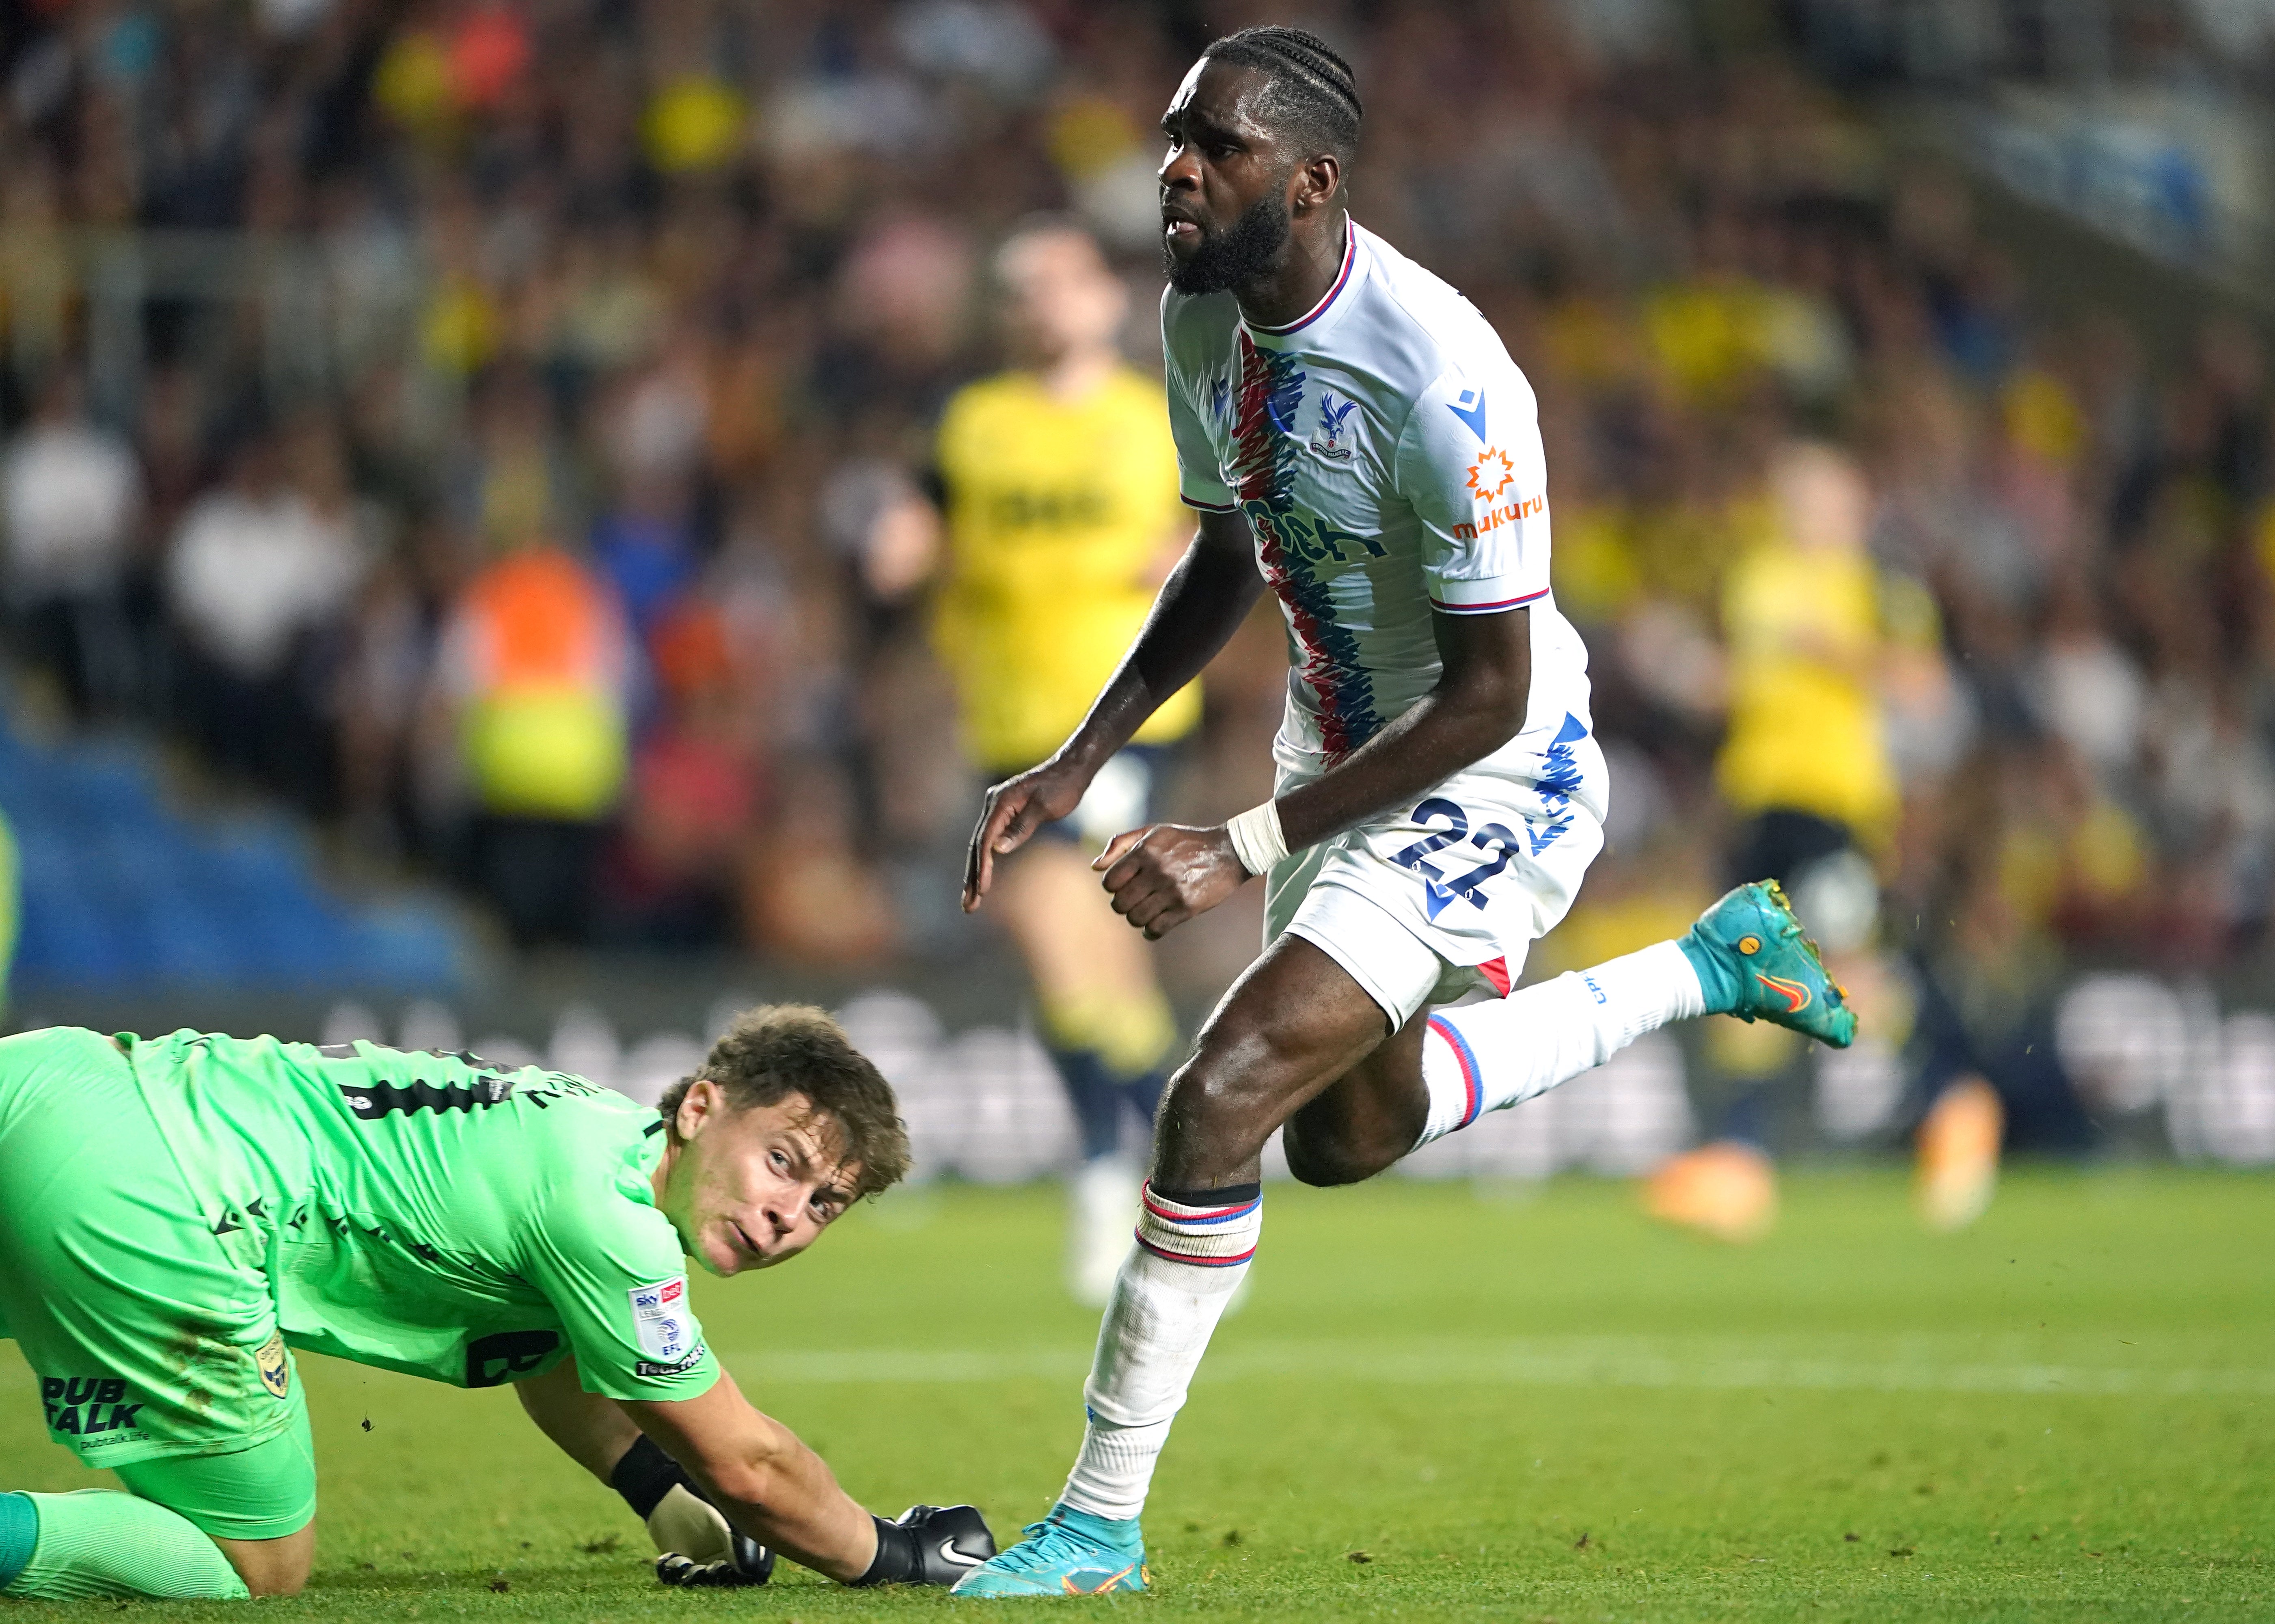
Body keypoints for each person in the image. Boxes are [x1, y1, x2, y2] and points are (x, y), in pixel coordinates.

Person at [951, 26, 1856, 1597]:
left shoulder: (1445, 374)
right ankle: (1709, 968)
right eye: (1173, 135)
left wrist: (1236, 848)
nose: (1174, 165)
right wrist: (1083, 756)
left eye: (1213, 144)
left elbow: (1492, 696)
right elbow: (1227, 551)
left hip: (1496, 764)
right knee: (1342, 1137)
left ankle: (1094, 1524)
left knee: (1215, 1096)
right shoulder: (1195, 321)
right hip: (1339, 744)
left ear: (1307, 178)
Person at [0, 1006, 993, 1600]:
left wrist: (659, 1489)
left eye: (825, 1201)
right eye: (784, 1161)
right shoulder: (613, 1226)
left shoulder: (600, 1130)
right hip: (159, 1191)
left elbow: (546, 1344)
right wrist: (893, 1553)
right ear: (700, 1107)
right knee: (255, 1561)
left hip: (60, 1075)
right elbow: (748, 1460)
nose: (788, 1213)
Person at [931, 218, 1200, 1303]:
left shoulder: (1151, 422)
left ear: (1099, 298)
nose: (1036, 301)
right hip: (1007, 725)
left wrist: (1179, 554)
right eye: (1016, 286)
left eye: (1055, 281)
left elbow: (1227, 533)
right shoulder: (974, 425)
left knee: (1054, 926)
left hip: (1119, 723)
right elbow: (931, 521)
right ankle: (1189, 1156)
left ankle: (1107, 1171)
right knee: (1099, 972)